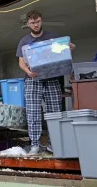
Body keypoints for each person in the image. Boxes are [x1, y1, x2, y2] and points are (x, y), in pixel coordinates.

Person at [16, 10, 75, 155]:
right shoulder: (24, 41)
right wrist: (28, 71)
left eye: (37, 22)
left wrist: (68, 47)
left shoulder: (53, 37)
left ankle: (53, 144)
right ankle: (35, 145)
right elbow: (21, 62)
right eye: (32, 23)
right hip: (32, 79)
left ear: (41, 21)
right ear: (28, 24)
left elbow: (61, 52)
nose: (35, 25)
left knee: (55, 111)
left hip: (52, 78)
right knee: (33, 111)